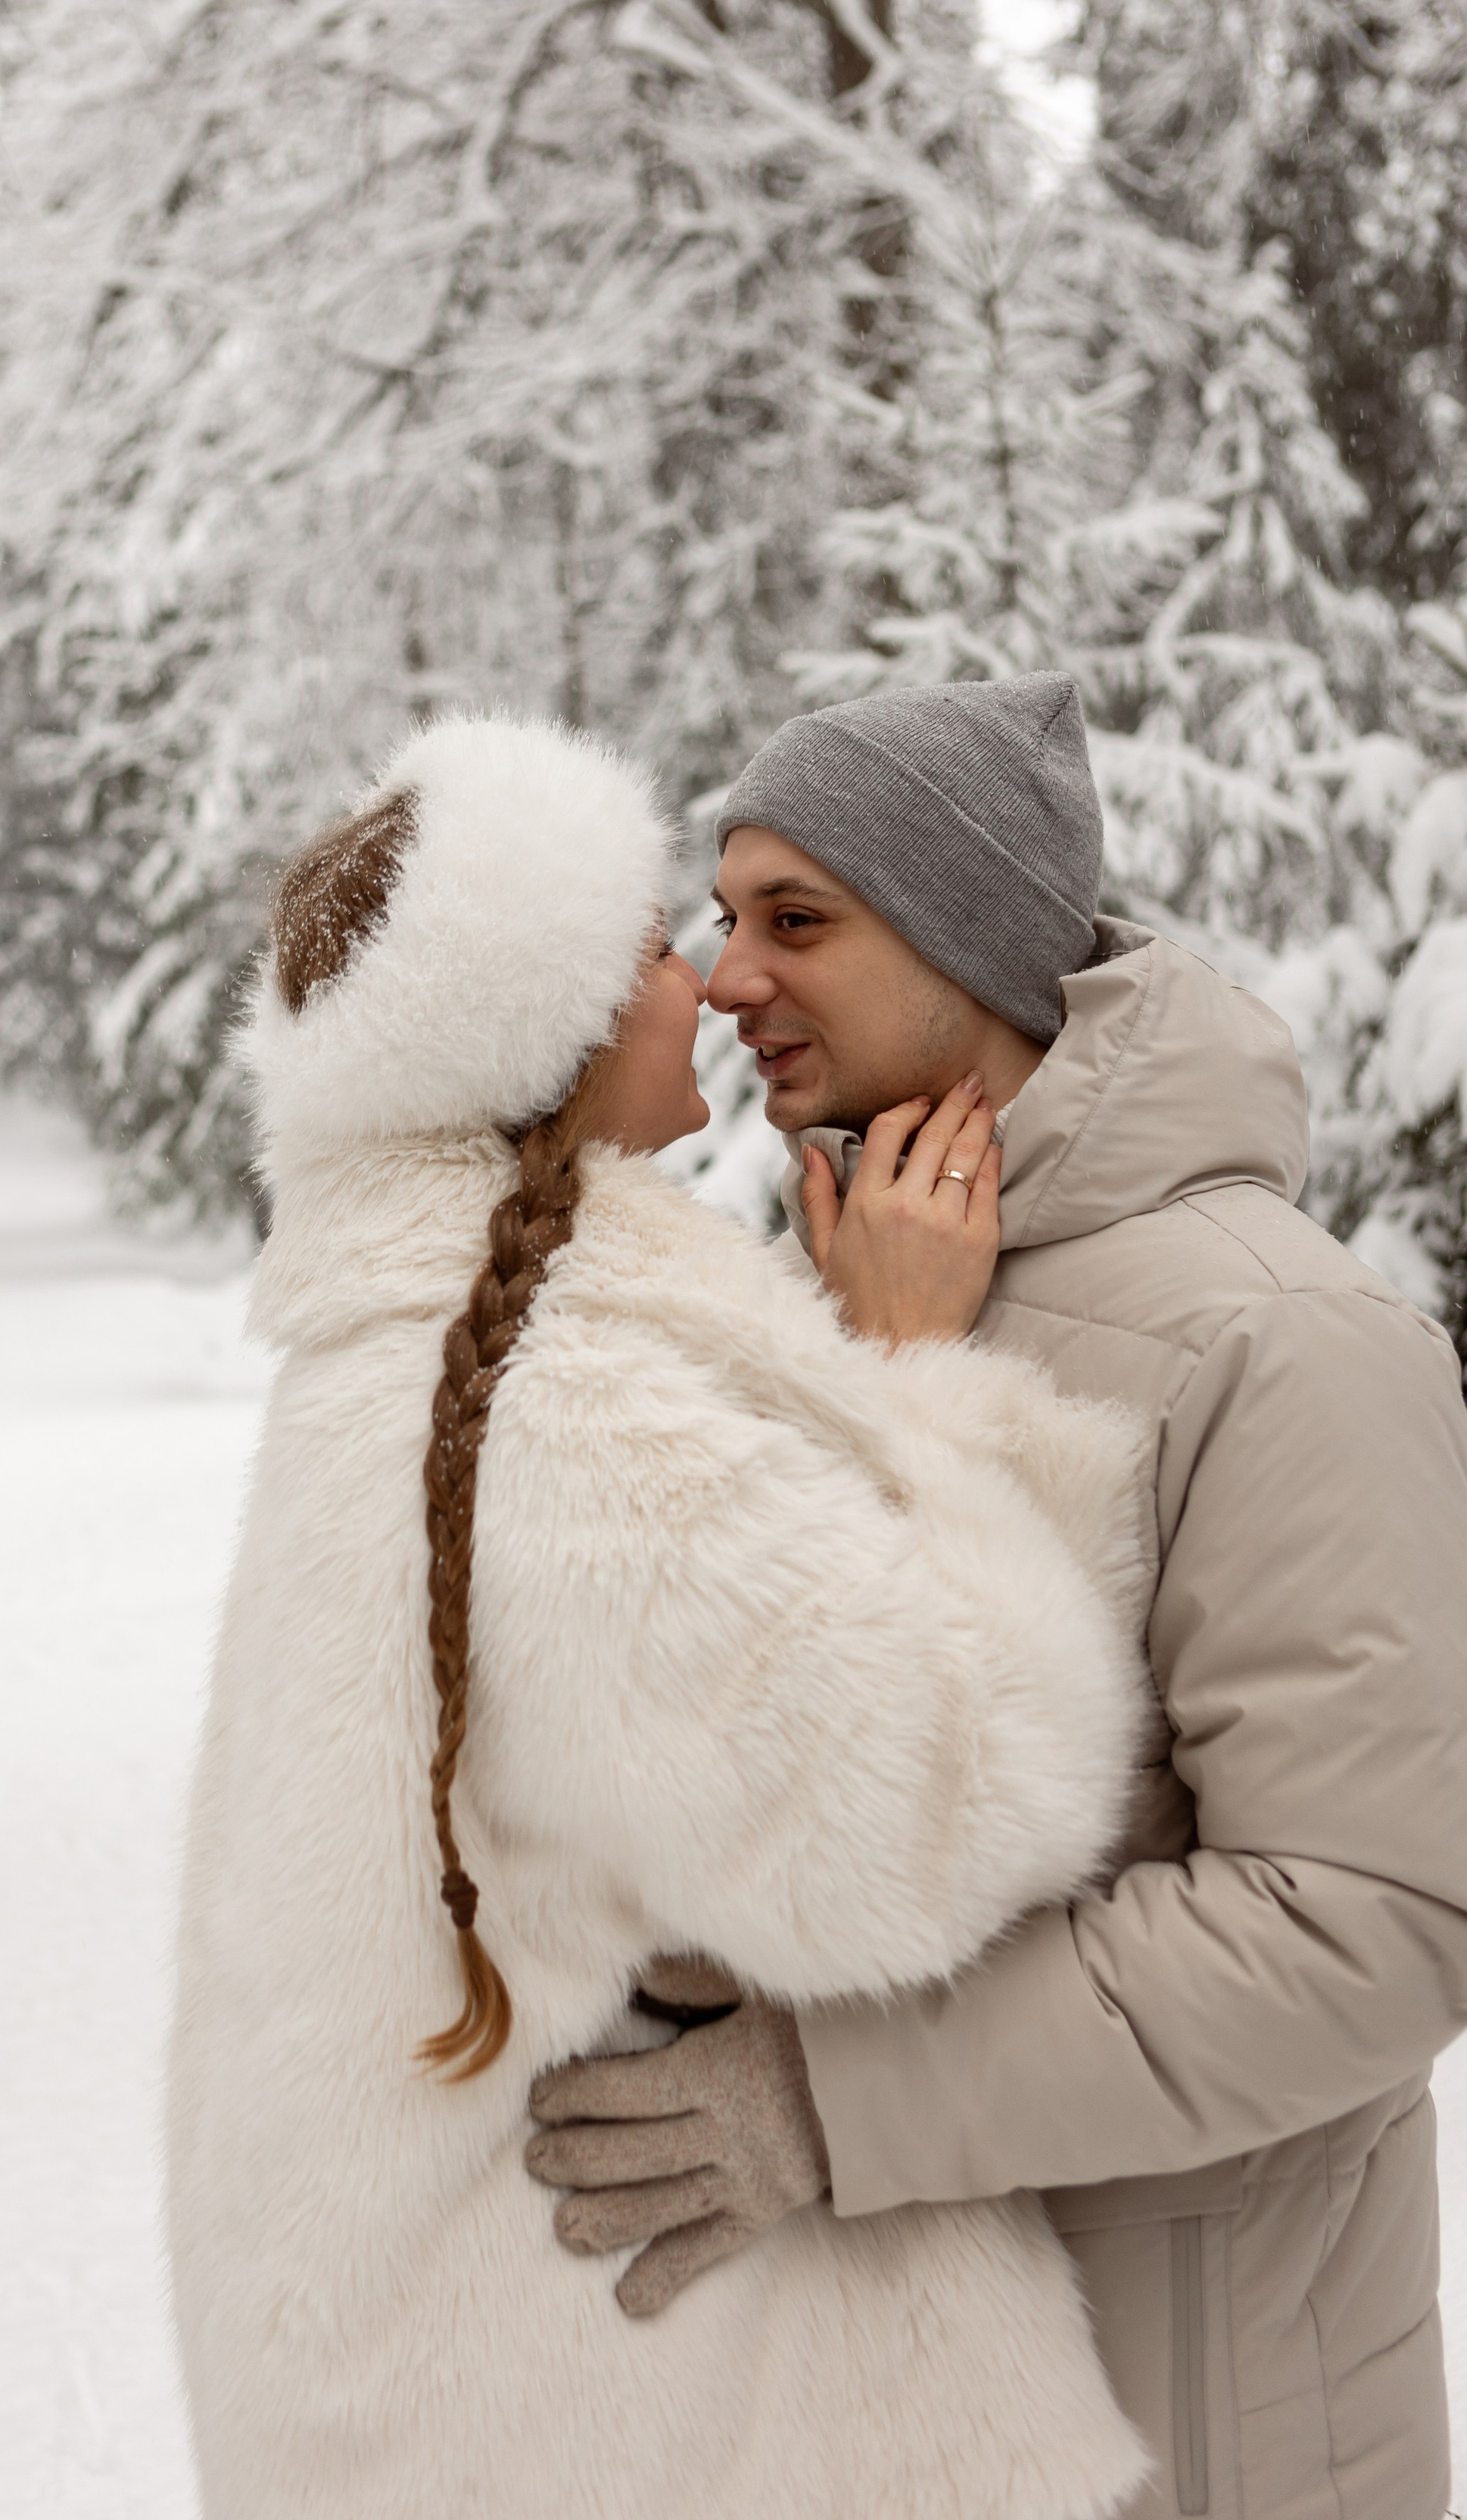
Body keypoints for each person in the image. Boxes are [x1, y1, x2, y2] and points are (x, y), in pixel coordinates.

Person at [167, 711, 1159, 2520]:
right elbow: (950, 1809)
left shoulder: (405, 1359)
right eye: (645, 949)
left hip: (454, 2399)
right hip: (613, 2418)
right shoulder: (569, 1421)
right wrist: (918, 1386)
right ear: (529, 1042)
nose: (701, 987)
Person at [525, 674, 1467, 2520]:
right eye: (723, 922)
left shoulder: (1280, 1339)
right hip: (893, 2417)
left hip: (1194, 2423)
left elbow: (1372, 1924)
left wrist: (830, 2102)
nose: (724, 982)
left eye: (798, 920)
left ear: (972, 945)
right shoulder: (829, 1292)